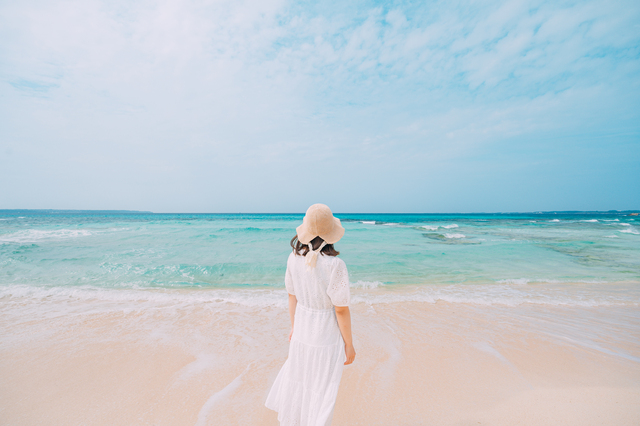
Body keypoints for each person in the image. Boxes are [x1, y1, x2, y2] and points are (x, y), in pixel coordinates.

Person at [265, 204, 356, 426]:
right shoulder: (335, 265)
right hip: (326, 335)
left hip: (302, 331)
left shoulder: (293, 258)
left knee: (300, 382)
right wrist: (349, 344)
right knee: (322, 391)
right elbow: (340, 309)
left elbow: (292, 296)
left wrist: (294, 327)